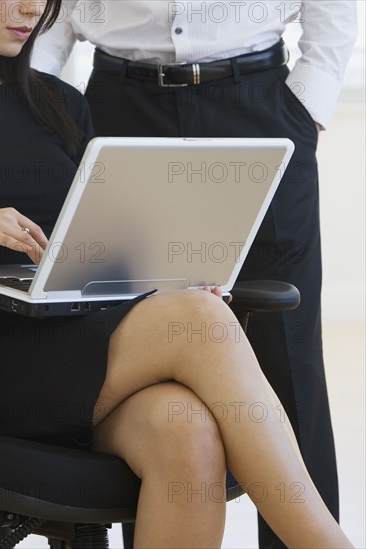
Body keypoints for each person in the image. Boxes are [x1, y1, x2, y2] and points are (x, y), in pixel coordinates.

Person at [0, 0, 355, 547]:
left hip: (70, 351)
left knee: (188, 428)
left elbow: (91, 252)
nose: (33, 9)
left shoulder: (57, 103)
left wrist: (162, 279)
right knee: (200, 321)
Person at [32, 1, 358, 547]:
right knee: (145, 339)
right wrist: (38, 106)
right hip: (120, 105)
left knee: (288, 347)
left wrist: (308, 106)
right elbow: (49, 13)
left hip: (258, 103)